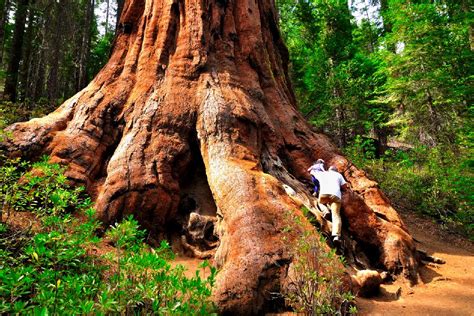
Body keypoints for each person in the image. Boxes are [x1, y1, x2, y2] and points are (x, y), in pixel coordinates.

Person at [312, 165, 348, 245]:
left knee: (319, 202)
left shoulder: (323, 173)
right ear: (336, 170)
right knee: (336, 215)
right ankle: (336, 236)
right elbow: (345, 187)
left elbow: (312, 172)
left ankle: (325, 210)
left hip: (324, 194)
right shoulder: (339, 175)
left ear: (329, 169)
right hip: (335, 196)